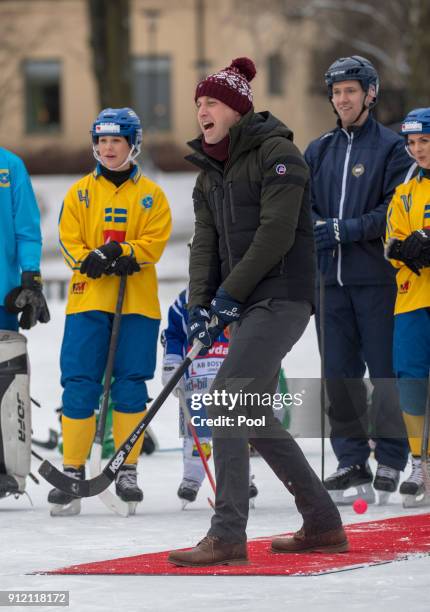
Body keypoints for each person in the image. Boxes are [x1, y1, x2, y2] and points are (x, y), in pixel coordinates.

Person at [168, 57, 347, 567]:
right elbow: (205, 245)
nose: (202, 110)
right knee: (251, 414)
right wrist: (201, 306)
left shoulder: (279, 154)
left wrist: (229, 295)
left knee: (225, 399)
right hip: (246, 302)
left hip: (283, 296)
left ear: (237, 109)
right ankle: (323, 523)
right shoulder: (209, 173)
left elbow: (274, 234)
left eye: (212, 102)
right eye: (198, 102)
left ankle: (227, 533)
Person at [48, 108, 172, 516]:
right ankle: (73, 466)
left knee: (130, 386)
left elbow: (154, 241)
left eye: (115, 141)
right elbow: (69, 240)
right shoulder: (80, 192)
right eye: (101, 141)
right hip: (88, 302)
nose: (107, 148)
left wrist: (127, 252)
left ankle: (127, 468)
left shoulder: (151, 195)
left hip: (136, 304)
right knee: (80, 382)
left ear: (132, 143)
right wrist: (92, 259)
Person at [305, 55, 413, 505]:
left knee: (385, 373)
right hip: (329, 283)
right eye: (336, 91)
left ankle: (391, 456)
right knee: (339, 376)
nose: (342, 98)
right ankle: (350, 458)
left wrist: (339, 230)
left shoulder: (391, 148)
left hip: (377, 282)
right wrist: (318, 228)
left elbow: (391, 211)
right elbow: (303, 206)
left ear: (370, 93)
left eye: (350, 90)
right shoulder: (319, 150)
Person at [161, 286, 258, 507]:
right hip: (197, 378)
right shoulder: (185, 299)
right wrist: (171, 363)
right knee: (196, 435)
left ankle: (241, 478)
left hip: (229, 378)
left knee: (234, 431)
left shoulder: (239, 293)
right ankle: (192, 478)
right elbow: (173, 334)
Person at [385, 108, 430, 507]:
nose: (417, 150)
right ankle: (420, 461)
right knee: (411, 382)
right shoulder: (405, 191)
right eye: (412, 143)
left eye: (425, 142)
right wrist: (409, 248)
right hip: (412, 299)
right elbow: (392, 243)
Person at [0, 147, 50, 497]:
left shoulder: (10, 165)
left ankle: (5, 468)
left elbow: (27, 228)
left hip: (2, 295)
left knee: (4, 388)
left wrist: (31, 276)